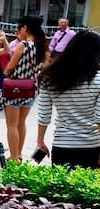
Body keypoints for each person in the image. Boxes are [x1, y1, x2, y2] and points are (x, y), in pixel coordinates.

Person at [36, 30, 100, 168]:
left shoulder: (49, 77)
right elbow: (99, 119)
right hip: (92, 147)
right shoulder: (98, 79)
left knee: (60, 188)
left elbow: (44, 115)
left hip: (62, 145)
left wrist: (40, 142)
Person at [2, 16, 48, 161]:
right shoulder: (42, 45)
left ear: (25, 28)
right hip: (31, 89)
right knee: (21, 123)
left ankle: (14, 157)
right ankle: (19, 153)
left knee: (11, 125)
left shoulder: (24, 45)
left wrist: (4, 75)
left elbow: (10, 67)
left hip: (15, 88)